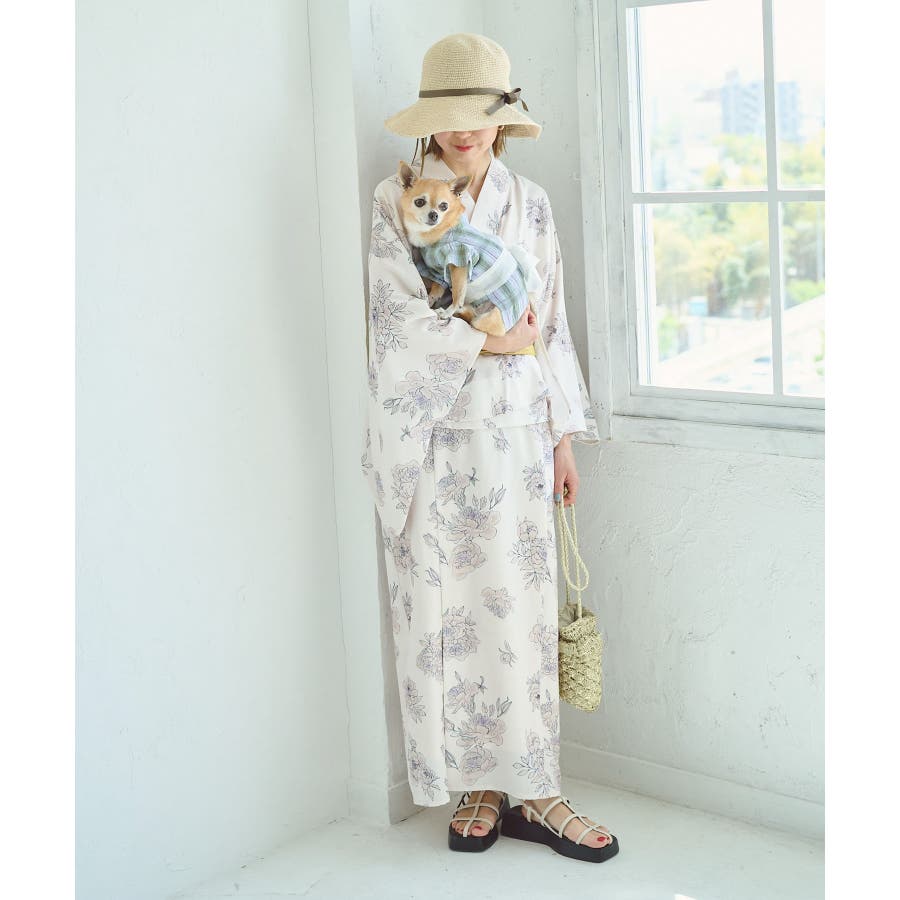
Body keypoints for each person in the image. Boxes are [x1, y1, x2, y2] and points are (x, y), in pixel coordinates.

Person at [360, 33, 618, 863]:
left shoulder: (529, 204)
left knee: (519, 615)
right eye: (448, 115)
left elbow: (554, 325)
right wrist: (496, 341)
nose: (463, 131)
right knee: (448, 617)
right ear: (427, 121)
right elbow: (394, 323)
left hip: (516, 439)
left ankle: (537, 789)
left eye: (478, 114)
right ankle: (476, 784)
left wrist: (563, 439)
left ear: (502, 120)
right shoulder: (396, 201)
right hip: (434, 442)